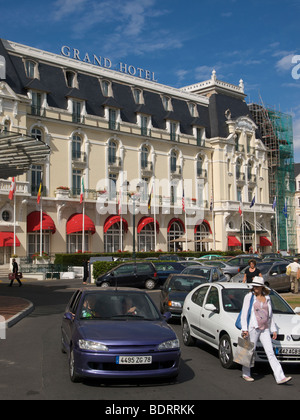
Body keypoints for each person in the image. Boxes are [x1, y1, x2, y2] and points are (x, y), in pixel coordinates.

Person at [240, 276, 292, 384]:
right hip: (253, 328)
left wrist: (273, 329)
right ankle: (246, 373)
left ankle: (280, 377)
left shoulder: (267, 298)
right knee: (249, 350)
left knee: (270, 352)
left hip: (265, 329)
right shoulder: (249, 297)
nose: (255, 288)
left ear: (262, 287)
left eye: (258, 286)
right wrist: (244, 329)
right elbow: (244, 314)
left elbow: (270, 315)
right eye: (254, 286)